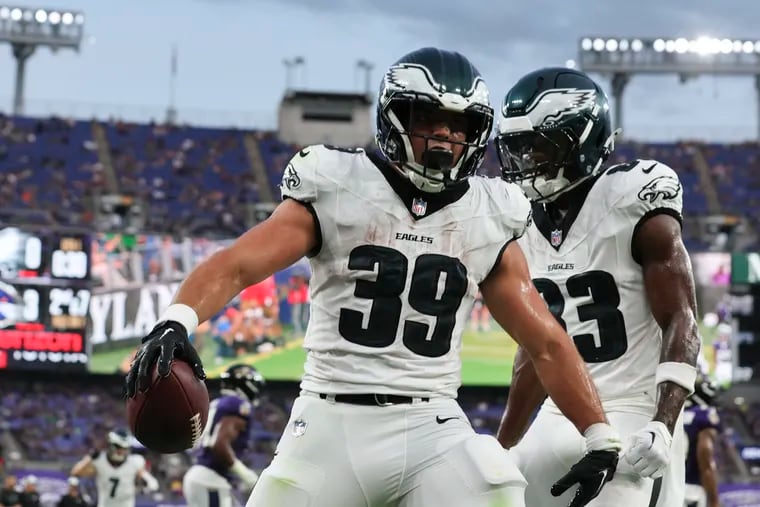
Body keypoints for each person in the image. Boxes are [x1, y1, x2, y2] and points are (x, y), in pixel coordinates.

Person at [126, 47, 621, 507]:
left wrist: (598, 434)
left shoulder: (489, 211)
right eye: (427, 118)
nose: (443, 136)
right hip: (330, 419)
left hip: (433, 422)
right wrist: (177, 320)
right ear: (393, 118)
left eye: (458, 125)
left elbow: (546, 342)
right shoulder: (339, 183)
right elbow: (238, 263)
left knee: (497, 485)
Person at [493, 67, 700, 507]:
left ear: (580, 140)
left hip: (634, 410)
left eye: (539, 145)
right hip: (559, 410)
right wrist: (502, 444)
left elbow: (681, 318)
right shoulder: (520, 218)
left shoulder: (633, 197)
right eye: (519, 146)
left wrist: (663, 424)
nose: (526, 158)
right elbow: (536, 349)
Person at [183, 364, 264, 507]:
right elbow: (219, 444)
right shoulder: (238, 405)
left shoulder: (217, 403)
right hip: (210, 480)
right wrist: (245, 474)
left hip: (205, 476)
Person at [70, 429, 159, 507]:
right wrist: (89, 458)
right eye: (118, 446)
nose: (121, 450)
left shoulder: (134, 461)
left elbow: (144, 475)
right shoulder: (99, 460)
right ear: (110, 444)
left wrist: (149, 481)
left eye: (124, 447)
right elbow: (76, 472)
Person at [683, 376, 721, 507]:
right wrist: (714, 500)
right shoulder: (704, 414)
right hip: (694, 492)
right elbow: (705, 454)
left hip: (671, 485)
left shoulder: (680, 413)